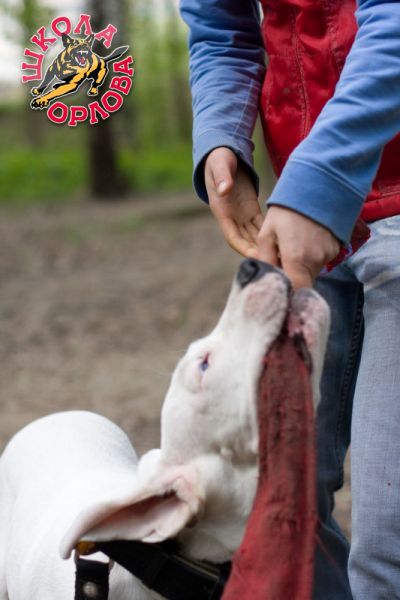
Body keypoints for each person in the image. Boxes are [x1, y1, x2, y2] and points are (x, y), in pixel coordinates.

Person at [179, 1, 400, 598]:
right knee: (284, 514)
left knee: (388, 547)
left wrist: (318, 182)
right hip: (309, 221)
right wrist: (222, 139)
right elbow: (220, 29)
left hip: (330, 199)